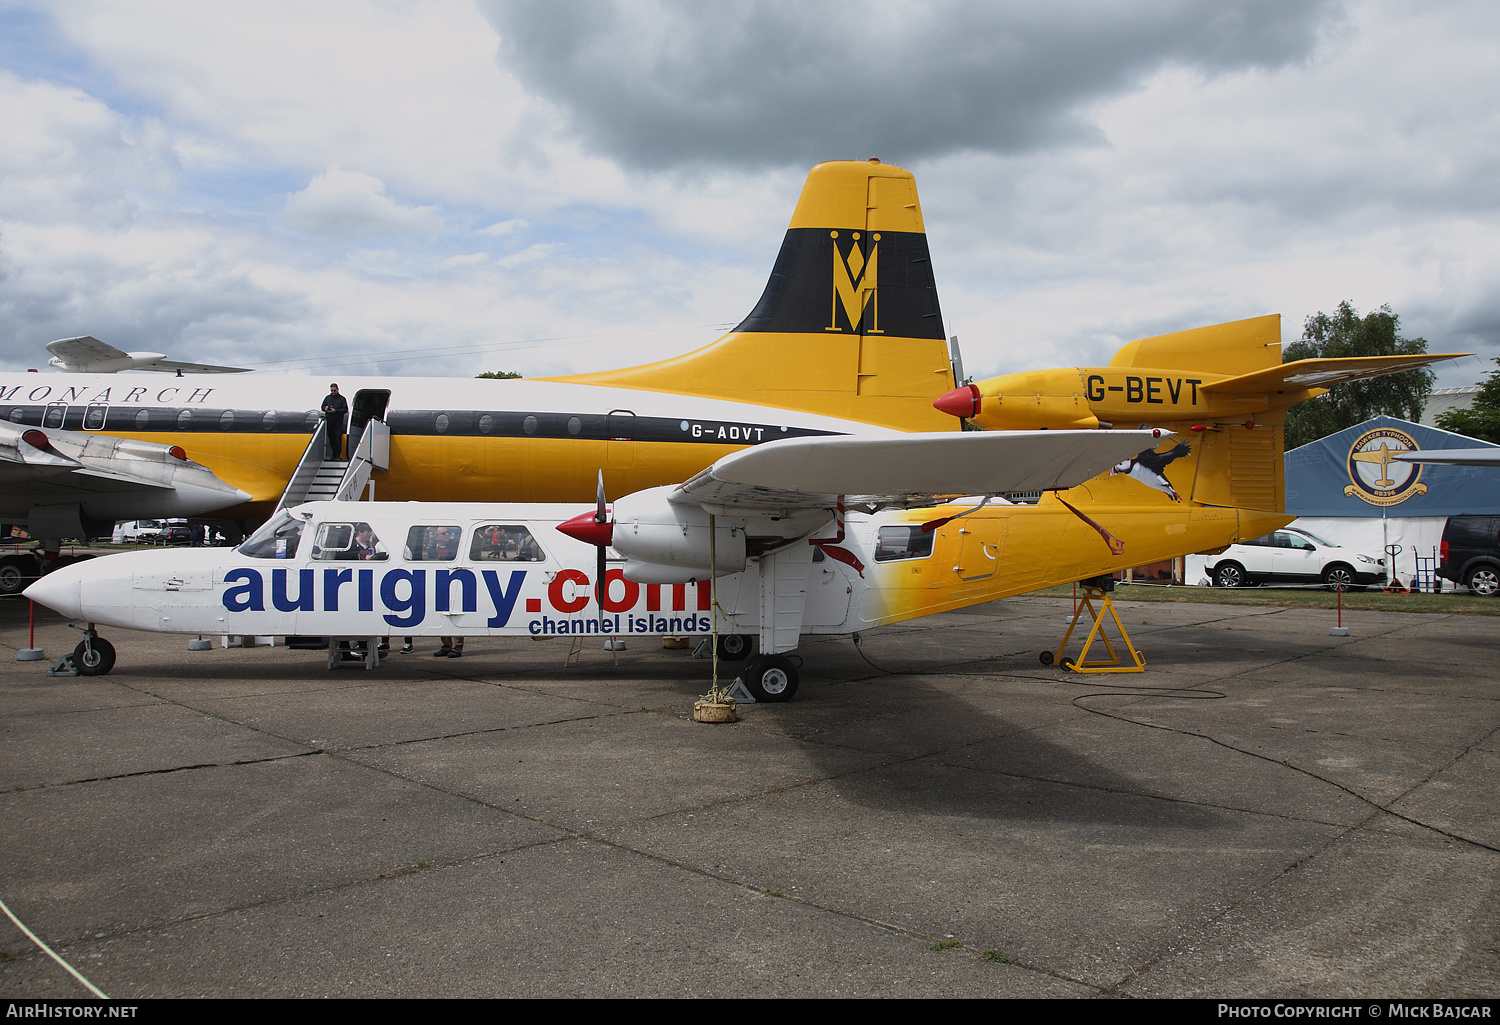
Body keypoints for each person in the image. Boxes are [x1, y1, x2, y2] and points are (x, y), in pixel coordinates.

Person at [322, 383, 348, 460]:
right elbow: (322, 406)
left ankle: (337, 455)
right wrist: (325, 409)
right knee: (331, 438)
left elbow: (345, 409)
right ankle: (334, 455)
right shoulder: (327, 398)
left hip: (338, 421)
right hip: (330, 421)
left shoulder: (342, 399)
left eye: (334, 390)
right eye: (332, 391)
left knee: (337, 438)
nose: (333, 392)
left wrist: (335, 411)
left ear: (337, 389)